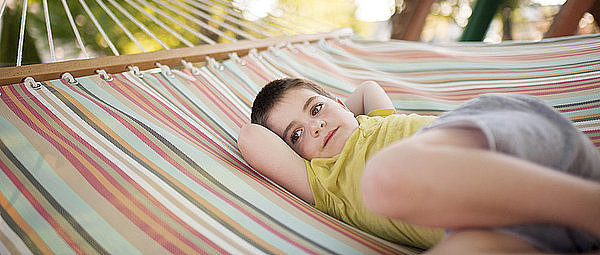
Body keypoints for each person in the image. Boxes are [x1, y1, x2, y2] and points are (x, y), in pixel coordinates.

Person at [238, 78, 600, 254]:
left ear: (338, 102)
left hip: (510, 148)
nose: (315, 127)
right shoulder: (321, 181)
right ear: (295, 155)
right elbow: (251, 137)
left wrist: (342, 113)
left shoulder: (376, 121)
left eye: (316, 109)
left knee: (384, 178)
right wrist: (323, 116)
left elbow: (366, 88)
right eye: (296, 136)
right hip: (522, 231)